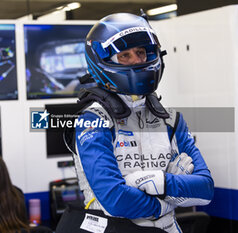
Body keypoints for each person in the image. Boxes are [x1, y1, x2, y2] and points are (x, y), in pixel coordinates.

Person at [57, 12, 214, 233]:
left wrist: (160, 182)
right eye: (125, 56)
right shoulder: (94, 121)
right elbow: (116, 198)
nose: (138, 61)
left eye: (141, 52)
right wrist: (168, 201)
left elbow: (205, 188)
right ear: (103, 61)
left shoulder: (171, 120)